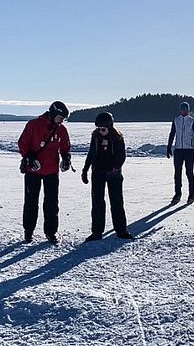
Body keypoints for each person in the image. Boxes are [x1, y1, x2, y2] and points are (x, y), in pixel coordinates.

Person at [17, 101, 71, 244]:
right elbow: (22, 143)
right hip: (33, 171)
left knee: (52, 203)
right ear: (53, 113)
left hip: (52, 171)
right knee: (31, 202)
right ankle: (28, 231)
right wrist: (28, 157)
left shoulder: (61, 130)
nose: (62, 120)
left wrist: (66, 158)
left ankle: (51, 232)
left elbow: (65, 147)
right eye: (60, 117)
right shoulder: (33, 125)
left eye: (64, 118)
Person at [81, 112, 133, 242]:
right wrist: (85, 169)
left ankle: (121, 231)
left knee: (117, 202)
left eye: (103, 129)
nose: (101, 131)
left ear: (110, 126)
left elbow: (122, 156)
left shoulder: (118, 138)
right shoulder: (96, 136)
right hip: (98, 173)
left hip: (114, 175)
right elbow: (91, 153)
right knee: (97, 203)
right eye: (98, 129)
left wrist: (115, 169)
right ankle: (97, 232)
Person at [166, 102, 194, 205]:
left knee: (189, 173)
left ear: (188, 110)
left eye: (186, 109)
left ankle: (191, 194)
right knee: (177, 173)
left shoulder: (192, 121)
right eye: (182, 109)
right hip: (178, 150)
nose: (184, 111)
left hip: (189, 151)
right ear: (180, 110)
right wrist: (169, 148)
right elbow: (172, 134)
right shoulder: (176, 120)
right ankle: (177, 194)